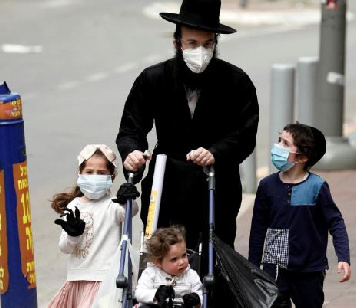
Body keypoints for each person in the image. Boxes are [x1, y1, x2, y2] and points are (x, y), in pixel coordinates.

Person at [116, 0, 258, 255]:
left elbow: (245, 134)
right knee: (165, 259)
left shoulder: (236, 82)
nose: (200, 51)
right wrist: (133, 153)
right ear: (177, 43)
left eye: (207, 44)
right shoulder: (153, 79)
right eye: (192, 43)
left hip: (218, 184)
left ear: (215, 43)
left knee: (217, 260)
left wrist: (216, 152)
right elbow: (131, 129)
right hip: (167, 182)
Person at [248, 123, 351, 308]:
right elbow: (258, 228)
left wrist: (343, 257)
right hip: (275, 269)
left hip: (309, 270)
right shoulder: (267, 186)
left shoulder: (316, 186)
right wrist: (253, 267)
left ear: (302, 157)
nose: (278, 146)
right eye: (280, 140)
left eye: (285, 143)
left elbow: (335, 222)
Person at [47, 144, 139, 308]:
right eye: (89, 172)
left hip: (105, 280)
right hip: (77, 280)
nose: (95, 176)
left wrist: (128, 197)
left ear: (111, 176)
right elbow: (64, 248)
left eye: (101, 173)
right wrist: (72, 235)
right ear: (80, 174)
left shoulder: (112, 205)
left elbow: (129, 212)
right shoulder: (74, 206)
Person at [136, 226, 202, 308]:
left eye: (184, 255)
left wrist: (197, 301)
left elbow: (201, 295)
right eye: (174, 259)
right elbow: (139, 293)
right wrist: (156, 294)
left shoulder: (191, 275)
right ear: (159, 262)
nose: (181, 262)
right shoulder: (150, 273)